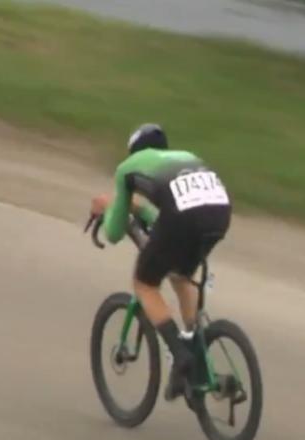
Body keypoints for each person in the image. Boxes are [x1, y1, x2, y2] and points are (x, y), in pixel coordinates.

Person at [88, 124, 232, 401]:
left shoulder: (127, 168)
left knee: (145, 284)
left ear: (133, 152)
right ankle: (194, 345)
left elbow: (114, 233)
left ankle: (181, 356)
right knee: (180, 274)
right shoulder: (186, 157)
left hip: (184, 218)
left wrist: (109, 207)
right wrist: (138, 208)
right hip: (219, 214)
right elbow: (167, 216)